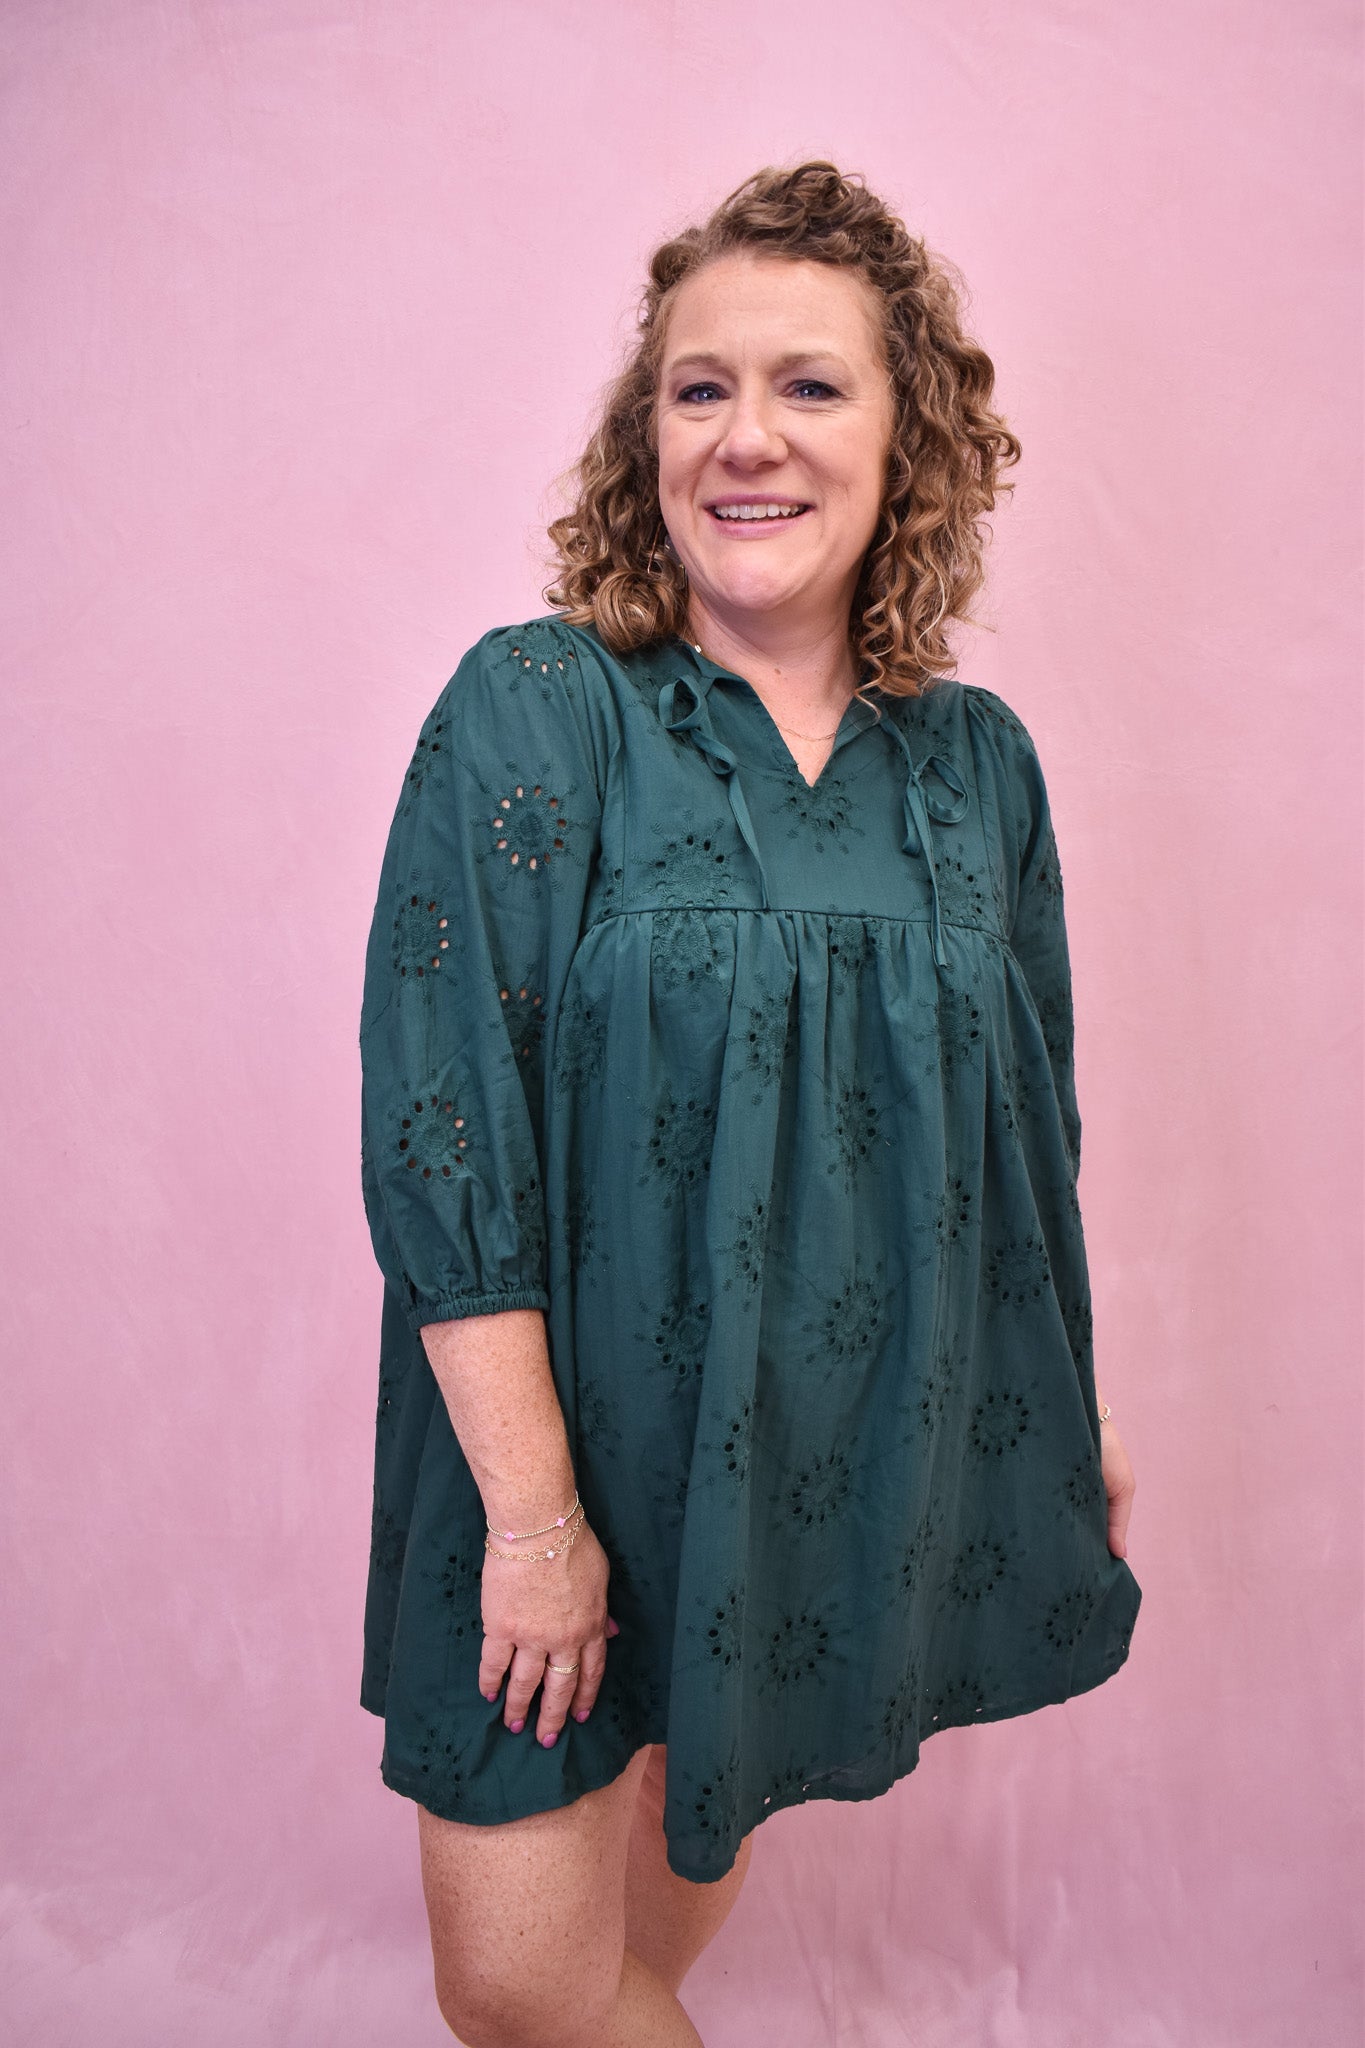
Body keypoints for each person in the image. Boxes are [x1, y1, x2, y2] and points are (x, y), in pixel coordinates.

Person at [357, 160, 1142, 2048]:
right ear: (646, 437)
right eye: (697, 387)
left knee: (640, 1969)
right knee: (531, 1993)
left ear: (906, 438)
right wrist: (539, 1527)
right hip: (538, 1463)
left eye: (809, 385)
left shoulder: (976, 767)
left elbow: (1028, 1129)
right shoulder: (540, 708)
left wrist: (1064, 1414)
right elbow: (442, 1120)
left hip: (801, 1476)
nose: (745, 437)